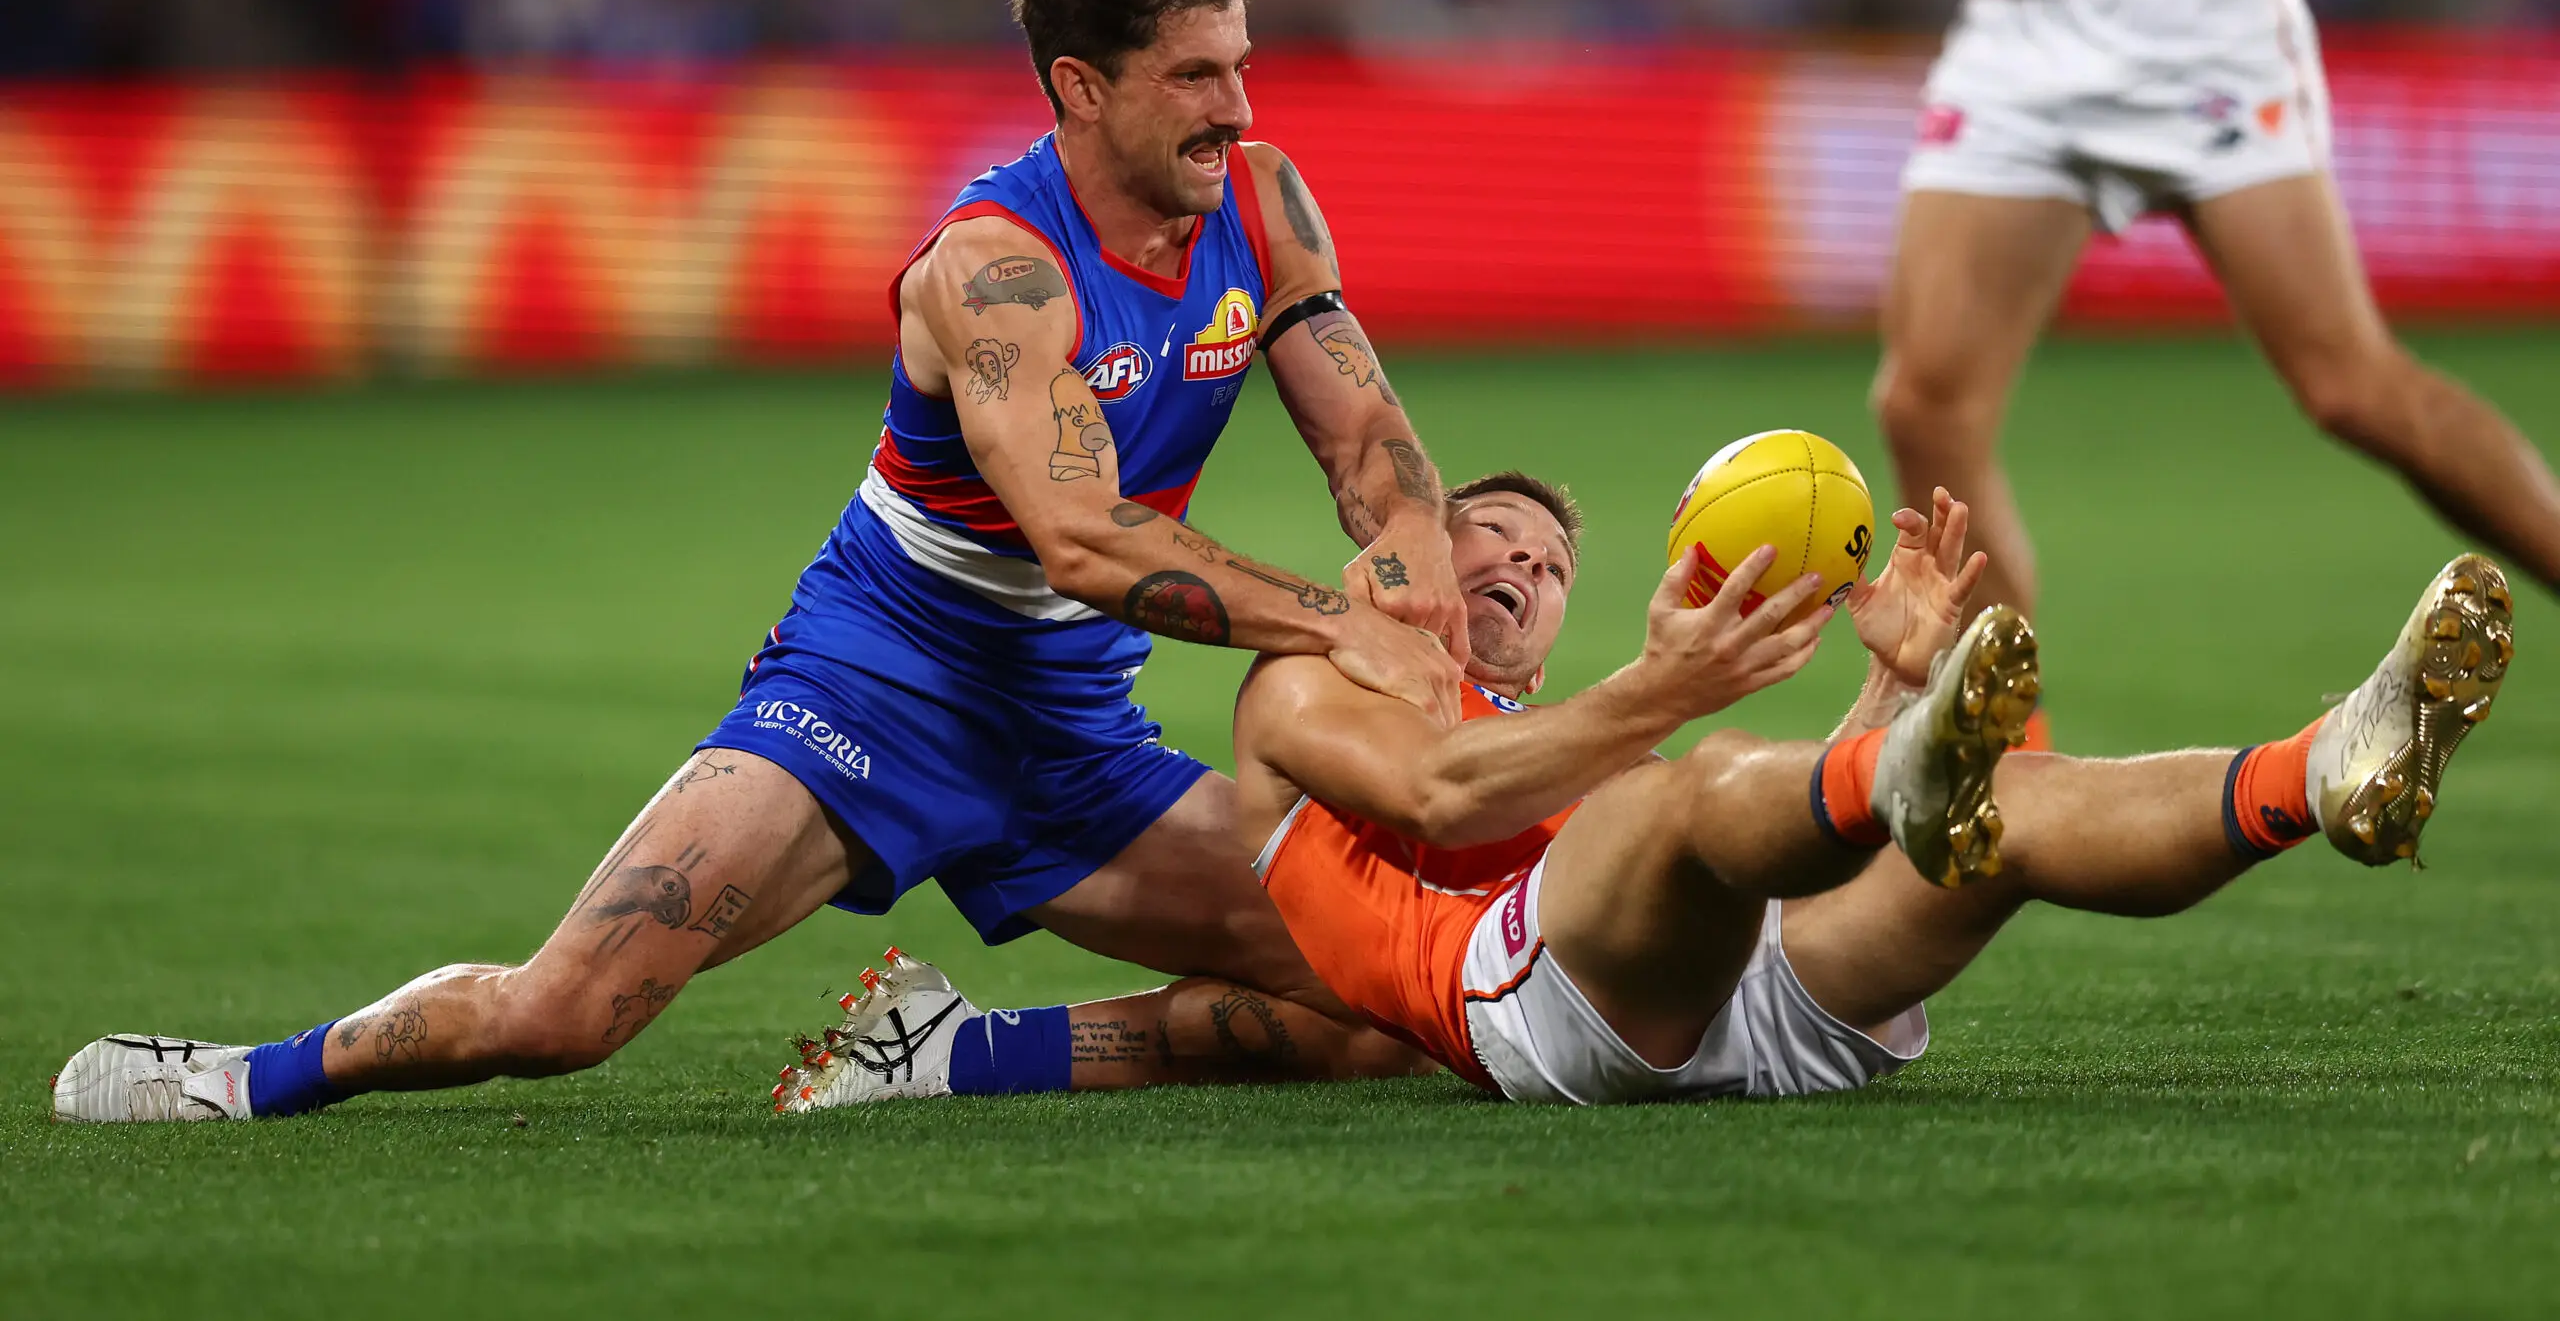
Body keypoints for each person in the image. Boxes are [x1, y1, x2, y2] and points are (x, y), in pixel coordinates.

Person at [52, 0, 1470, 1123]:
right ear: (1081, 88)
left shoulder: (1264, 197)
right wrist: (1343, 625)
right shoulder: (994, 267)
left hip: (1071, 729)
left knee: (1379, 994)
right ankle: (240, 1076)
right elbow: (1085, 539)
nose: (1237, 106)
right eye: (1195, 75)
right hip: (875, 690)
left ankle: (947, 1051)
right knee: (565, 1011)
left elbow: (1370, 442)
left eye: (1240, 64)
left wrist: (1419, 584)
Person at [800, 478, 2511, 1106]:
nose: (1522, 573)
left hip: (1753, 1001)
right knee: (1687, 794)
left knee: (2010, 821)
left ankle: (2328, 772)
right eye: (1489, 542)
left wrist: (1896, 668)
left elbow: (1789, 826)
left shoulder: (1588, 728)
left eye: (1548, 564)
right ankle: (1905, 756)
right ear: (1398, 556)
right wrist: (1673, 699)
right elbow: (1458, 794)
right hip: (1542, 1023)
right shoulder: (1301, 686)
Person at [1839, 0, 2560, 677]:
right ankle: (1999, 771)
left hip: (2189, 3)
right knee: (1923, 402)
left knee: (2348, 387)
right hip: (2020, 23)